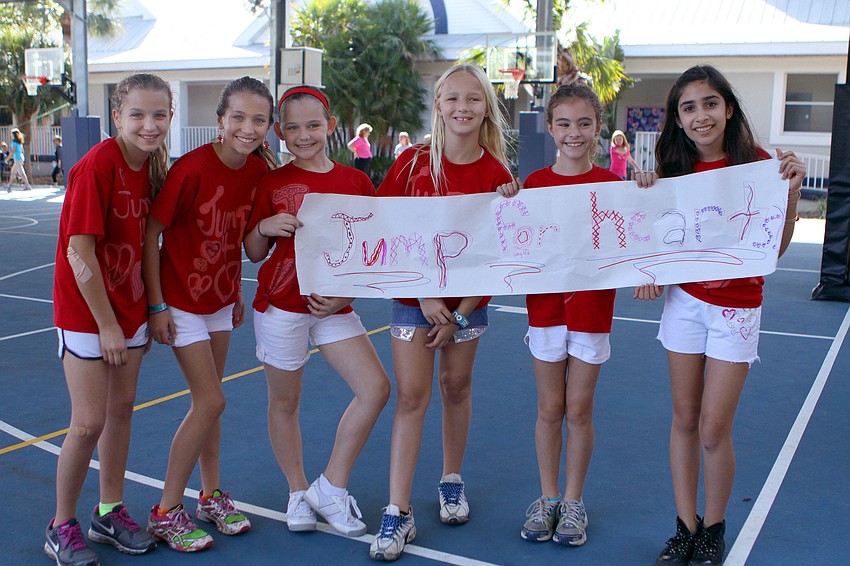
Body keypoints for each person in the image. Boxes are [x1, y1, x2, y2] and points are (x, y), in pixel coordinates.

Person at [633, 65, 806, 566]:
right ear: (678, 119)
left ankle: (714, 528)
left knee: (712, 426)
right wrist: (650, 263)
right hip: (685, 304)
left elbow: (772, 251)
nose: (700, 115)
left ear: (728, 108)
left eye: (709, 103)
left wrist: (790, 192)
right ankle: (684, 528)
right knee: (684, 418)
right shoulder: (673, 169)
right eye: (688, 107)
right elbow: (657, 239)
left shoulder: (759, 164)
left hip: (737, 309)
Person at [369, 64, 513, 562]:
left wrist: (459, 311)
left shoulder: (497, 175)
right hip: (415, 304)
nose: (463, 108)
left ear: (487, 108)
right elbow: (385, 232)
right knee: (411, 397)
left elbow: (498, 253)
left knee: (456, 388)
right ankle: (398, 509)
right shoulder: (410, 164)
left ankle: (451, 479)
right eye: (452, 99)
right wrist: (428, 299)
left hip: (468, 308)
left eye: (474, 99)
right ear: (438, 105)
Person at [243, 85, 391, 538]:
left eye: (313, 125)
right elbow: (252, 252)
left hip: (335, 308)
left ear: (330, 127)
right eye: (293, 127)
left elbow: (372, 251)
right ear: (280, 132)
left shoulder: (356, 182)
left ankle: (330, 486)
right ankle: (296, 491)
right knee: (285, 402)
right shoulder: (268, 182)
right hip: (282, 305)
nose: (304, 135)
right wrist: (265, 226)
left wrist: (346, 293)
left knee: (376, 388)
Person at [143, 76, 278, 553]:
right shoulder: (192, 169)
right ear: (220, 121)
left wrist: (234, 289)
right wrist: (156, 305)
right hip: (181, 302)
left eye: (258, 119)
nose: (248, 127)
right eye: (238, 117)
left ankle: (211, 495)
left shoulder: (259, 171)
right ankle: (165, 511)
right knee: (211, 402)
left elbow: (243, 243)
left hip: (221, 301)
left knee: (212, 404)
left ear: (269, 126)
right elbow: (151, 234)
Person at [46, 73, 171, 566]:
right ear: (117, 117)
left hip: (130, 307)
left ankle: (109, 511)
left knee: (122, 412)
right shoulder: (98, 165)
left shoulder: (152, 166)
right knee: (88, 421)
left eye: (159, 114)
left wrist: (150, 309)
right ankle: (61, 525)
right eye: (137, 114)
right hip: (88, 312)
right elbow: (80, 253)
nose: (149, 124)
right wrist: (106, 324)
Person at [497, 83, 621, 548]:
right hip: (546, 311)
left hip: (591, 313)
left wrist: (644, 191)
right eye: (564, 124)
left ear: (597, 128)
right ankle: (547, 498)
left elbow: (638, 240)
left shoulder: (615, 187)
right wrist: (506, 201)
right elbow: (510, 237)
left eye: (584, 123)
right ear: (549, 128)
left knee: (578, 410)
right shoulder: (533, 186)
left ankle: (573, 501)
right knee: (549, 409)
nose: (574, 133)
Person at [7, 127, 33, 192]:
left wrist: (7, 159)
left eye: (11, 134)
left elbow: (13, 151)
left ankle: (27, 185)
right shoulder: (19, 142)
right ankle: (9, 186)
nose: (10, 135)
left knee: (21, 173)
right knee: (13, 173)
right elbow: (22, 150)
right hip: (19, 158)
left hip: (18, 159)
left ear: (14, 135)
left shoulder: (14, 143)